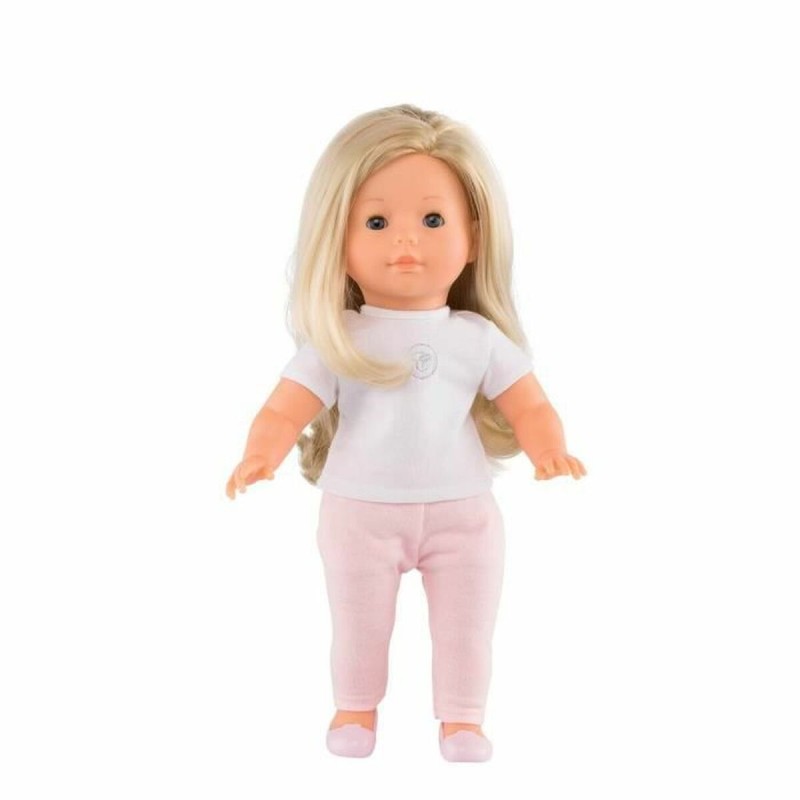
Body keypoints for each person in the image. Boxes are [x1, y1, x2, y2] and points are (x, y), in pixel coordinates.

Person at [225, 104, 587, 761]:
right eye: (376, 222)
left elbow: (531, 403)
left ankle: (463, 719)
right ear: (336, 238)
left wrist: (549, 448)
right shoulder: (340, 338)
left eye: (432, 220)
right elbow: (283, 409)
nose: (405, 243)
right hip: (359, 512)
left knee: (467, 626)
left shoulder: (477, 338)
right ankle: (354, 708)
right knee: (358, 622)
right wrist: (261, 453)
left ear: (473, 235)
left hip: (463, 511)